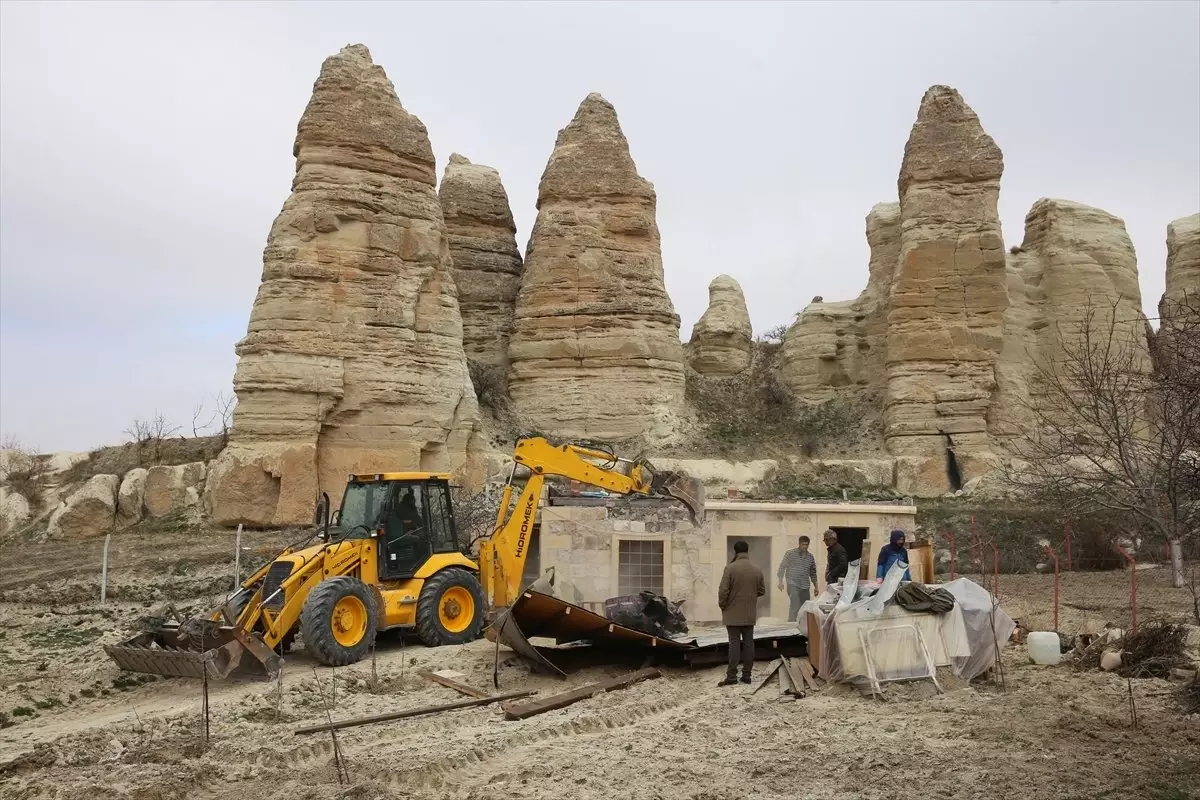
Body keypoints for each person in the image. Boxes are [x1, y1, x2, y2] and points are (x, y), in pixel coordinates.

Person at [717, 540, 765, 686]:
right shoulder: (757, 569)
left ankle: (732, 676)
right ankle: (747, 676)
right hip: (749, 613)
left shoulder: (730, 568)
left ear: (735, 552)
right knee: (749, 643)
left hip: (732, 613)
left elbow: (723, 591)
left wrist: (723, 605)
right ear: (747, 551)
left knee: (734, 643)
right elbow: (762, 591)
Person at [776, 536, 818, 623]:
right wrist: (780, 581)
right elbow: (782, 567)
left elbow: (813, 573)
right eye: (803, 544)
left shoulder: (810, 557)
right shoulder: (790, 553)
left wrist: (816, 587)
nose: (805, 547)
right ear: (799, 544)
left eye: (806, 545)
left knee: (805, 606)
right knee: (795, 602)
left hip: (805, 585)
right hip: (793, 583)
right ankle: (791, 623)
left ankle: (802, 624)